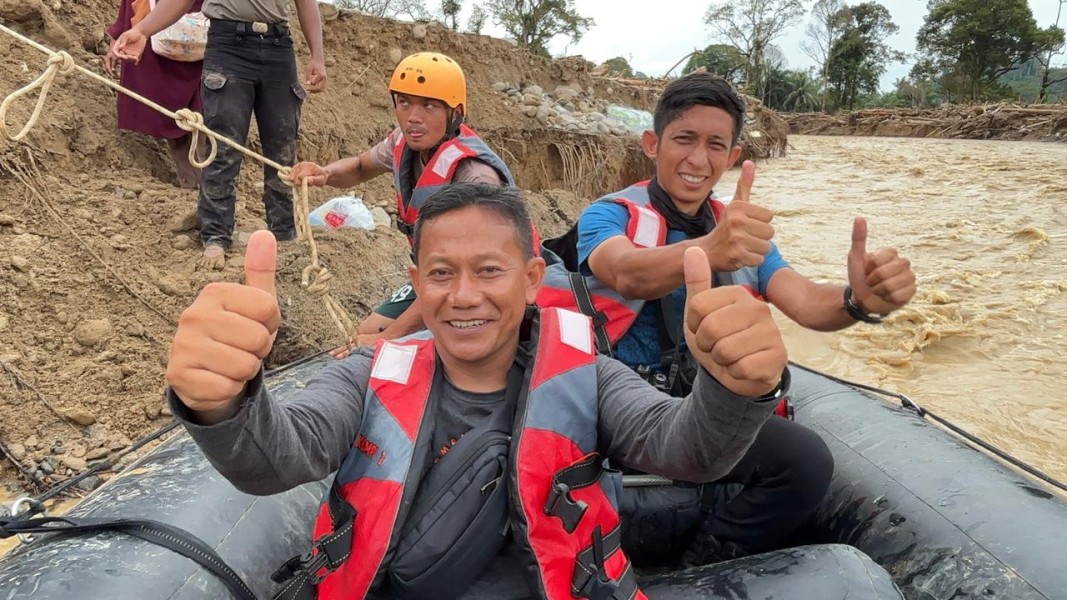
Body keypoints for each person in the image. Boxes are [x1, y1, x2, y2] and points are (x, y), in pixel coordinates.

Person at [164, 183, 794, 599]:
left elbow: (690, 452)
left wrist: (730, 390)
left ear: (529, 279)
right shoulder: (367, 373)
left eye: (488, 271)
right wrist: (219, 402)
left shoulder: (590, 376)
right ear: (416, 281)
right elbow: (275, 458)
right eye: (441, 273)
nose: (463, 295)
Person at [538, 71, 916, 566]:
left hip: (709, 409)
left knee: (805, 463)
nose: (699, 159)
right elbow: (626, 272)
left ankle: (710, 559)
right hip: (621, 404)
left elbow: (803, 301)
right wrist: (710, 250)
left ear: (733, 157)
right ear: (652, 144)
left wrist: (858, 301)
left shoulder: (740, 230)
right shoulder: (607, 215)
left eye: (716, 144)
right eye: (684, 139)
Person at [289, 53, 516, 352]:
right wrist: (325, 173)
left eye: (429, 105)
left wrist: (392, 336)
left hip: (483, 286)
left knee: (393, 350)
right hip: (437, 276)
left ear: (455, 112)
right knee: (364, 334)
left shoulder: (476, 179)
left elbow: (469, 276)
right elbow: (359, 166)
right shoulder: (402, 142)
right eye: (404, 102)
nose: (413, 117)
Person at [111, 0, 327, 270]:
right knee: (223, 146)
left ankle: (283, 236)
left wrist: (317, 55)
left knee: (282, 149)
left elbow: (306, 3)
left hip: (278, 47)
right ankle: (215, 236)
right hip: (228, 46)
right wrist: (142, 30)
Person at [104, 0, 205, 189]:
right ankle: (192, 183)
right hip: (151, 35)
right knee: (167, 108)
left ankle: (212, 189)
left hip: (208, 34)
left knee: (205, 107)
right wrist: (118, 38)